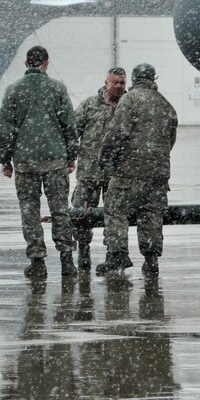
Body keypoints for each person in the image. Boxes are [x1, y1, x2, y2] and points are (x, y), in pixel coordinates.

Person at [0, 45, 79, 278]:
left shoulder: (13, 91)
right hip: (55, 161)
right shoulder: (57, 89)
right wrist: (71, 156)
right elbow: (69, 125)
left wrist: (5, 159)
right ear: (46, 63)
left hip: (25, 162)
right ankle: (67, 261)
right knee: (60, 211)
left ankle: (37, 262)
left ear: (25, 64)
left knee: (29, 212)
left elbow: (6, 129)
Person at [96, 62, 178, 276]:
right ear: (154, 79)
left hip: (129, 170)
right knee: (151, 215)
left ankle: (118, 255)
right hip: (158, 172)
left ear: (133, 79)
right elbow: (170, 140)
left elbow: (116, 133)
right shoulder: (166, 104)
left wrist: (105, 158)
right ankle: (151, 260)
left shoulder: (129, 100)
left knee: (115, 210)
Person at [71, 67, 128, 270]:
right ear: (106, 83)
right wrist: (71, 157)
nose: (119, 87)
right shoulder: (90, 105)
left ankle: (112, 255)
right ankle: (84, 251)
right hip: (90, 171)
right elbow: (73, 131)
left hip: (118, 173)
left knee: (115, 216)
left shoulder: (128, 106)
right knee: (81, 213)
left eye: (122, 83)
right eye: (116, 83)